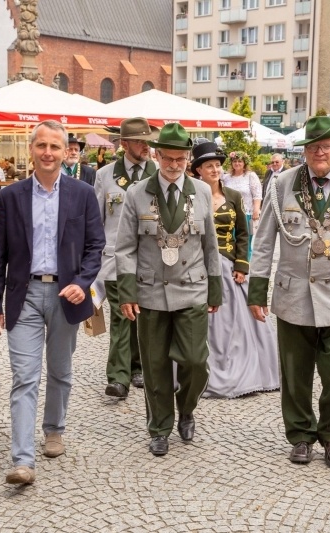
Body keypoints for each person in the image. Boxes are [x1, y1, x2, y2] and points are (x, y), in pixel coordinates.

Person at [248, 116, 330, 468]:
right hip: (294, 294)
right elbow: (263, 242)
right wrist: (257, 291)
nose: (319, 153)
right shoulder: (282, 184)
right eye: (312, 147)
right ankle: (301, 436)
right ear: (303, 150)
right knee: (295, 372)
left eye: (326, 147)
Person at [0, 120, 105, 485]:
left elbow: (95, 247)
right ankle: (23, 460)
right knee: (24, 377)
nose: (48, 153)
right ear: (31, 149)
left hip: (66, 296)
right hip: (25, 296)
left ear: (65, 150)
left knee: (60, 370)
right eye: (42, 146)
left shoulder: (82, 194)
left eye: (55, 146)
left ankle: (54, 428)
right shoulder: (11, 196)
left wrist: (83, 283)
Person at [114, 123, 222, 456]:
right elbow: (125, 247)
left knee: (194, 360)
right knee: (155, 365)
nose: (174, 165)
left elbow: (210, 246)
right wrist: (127, 292)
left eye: (180, 159)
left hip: (192, 288)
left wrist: (215, 289)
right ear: (157, 156)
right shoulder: (137, 193)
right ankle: (159, 427)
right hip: (150, 293)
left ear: (188, 158)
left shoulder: (201, 191)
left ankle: (186, 407)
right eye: (168, 158)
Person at [191, 141, 279, 398]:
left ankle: (243, 368)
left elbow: (243, 233)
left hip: (228, 266)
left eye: (218, 165)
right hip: (198, 267)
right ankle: (199, 369)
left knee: (237, 323)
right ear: (198, 170)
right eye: (209, 166)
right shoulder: (191, 196)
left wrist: (242, 264)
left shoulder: (234, 197)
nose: (215, 170)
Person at [94, 117, 159, 398]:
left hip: (150, 259)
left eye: (147, 141)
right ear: (125, 144)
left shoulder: (157, 171)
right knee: (122, 315)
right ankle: (118, 376)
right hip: (115, 258)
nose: (146, 146)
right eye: (140, 141)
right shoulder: (105, 175)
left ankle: (137, 367)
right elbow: (96, 219)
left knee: (142, 315)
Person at [223, 151, 262, 258]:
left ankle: (245, 262)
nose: (237, 163)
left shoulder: (250, 176)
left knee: (245, 240)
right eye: (234, 161)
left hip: (246, 213)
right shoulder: (226, 177)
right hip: (230, 214)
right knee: (231, 239)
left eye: (240, 161)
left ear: (244, 163)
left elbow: (257, 194)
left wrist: (256, 210)